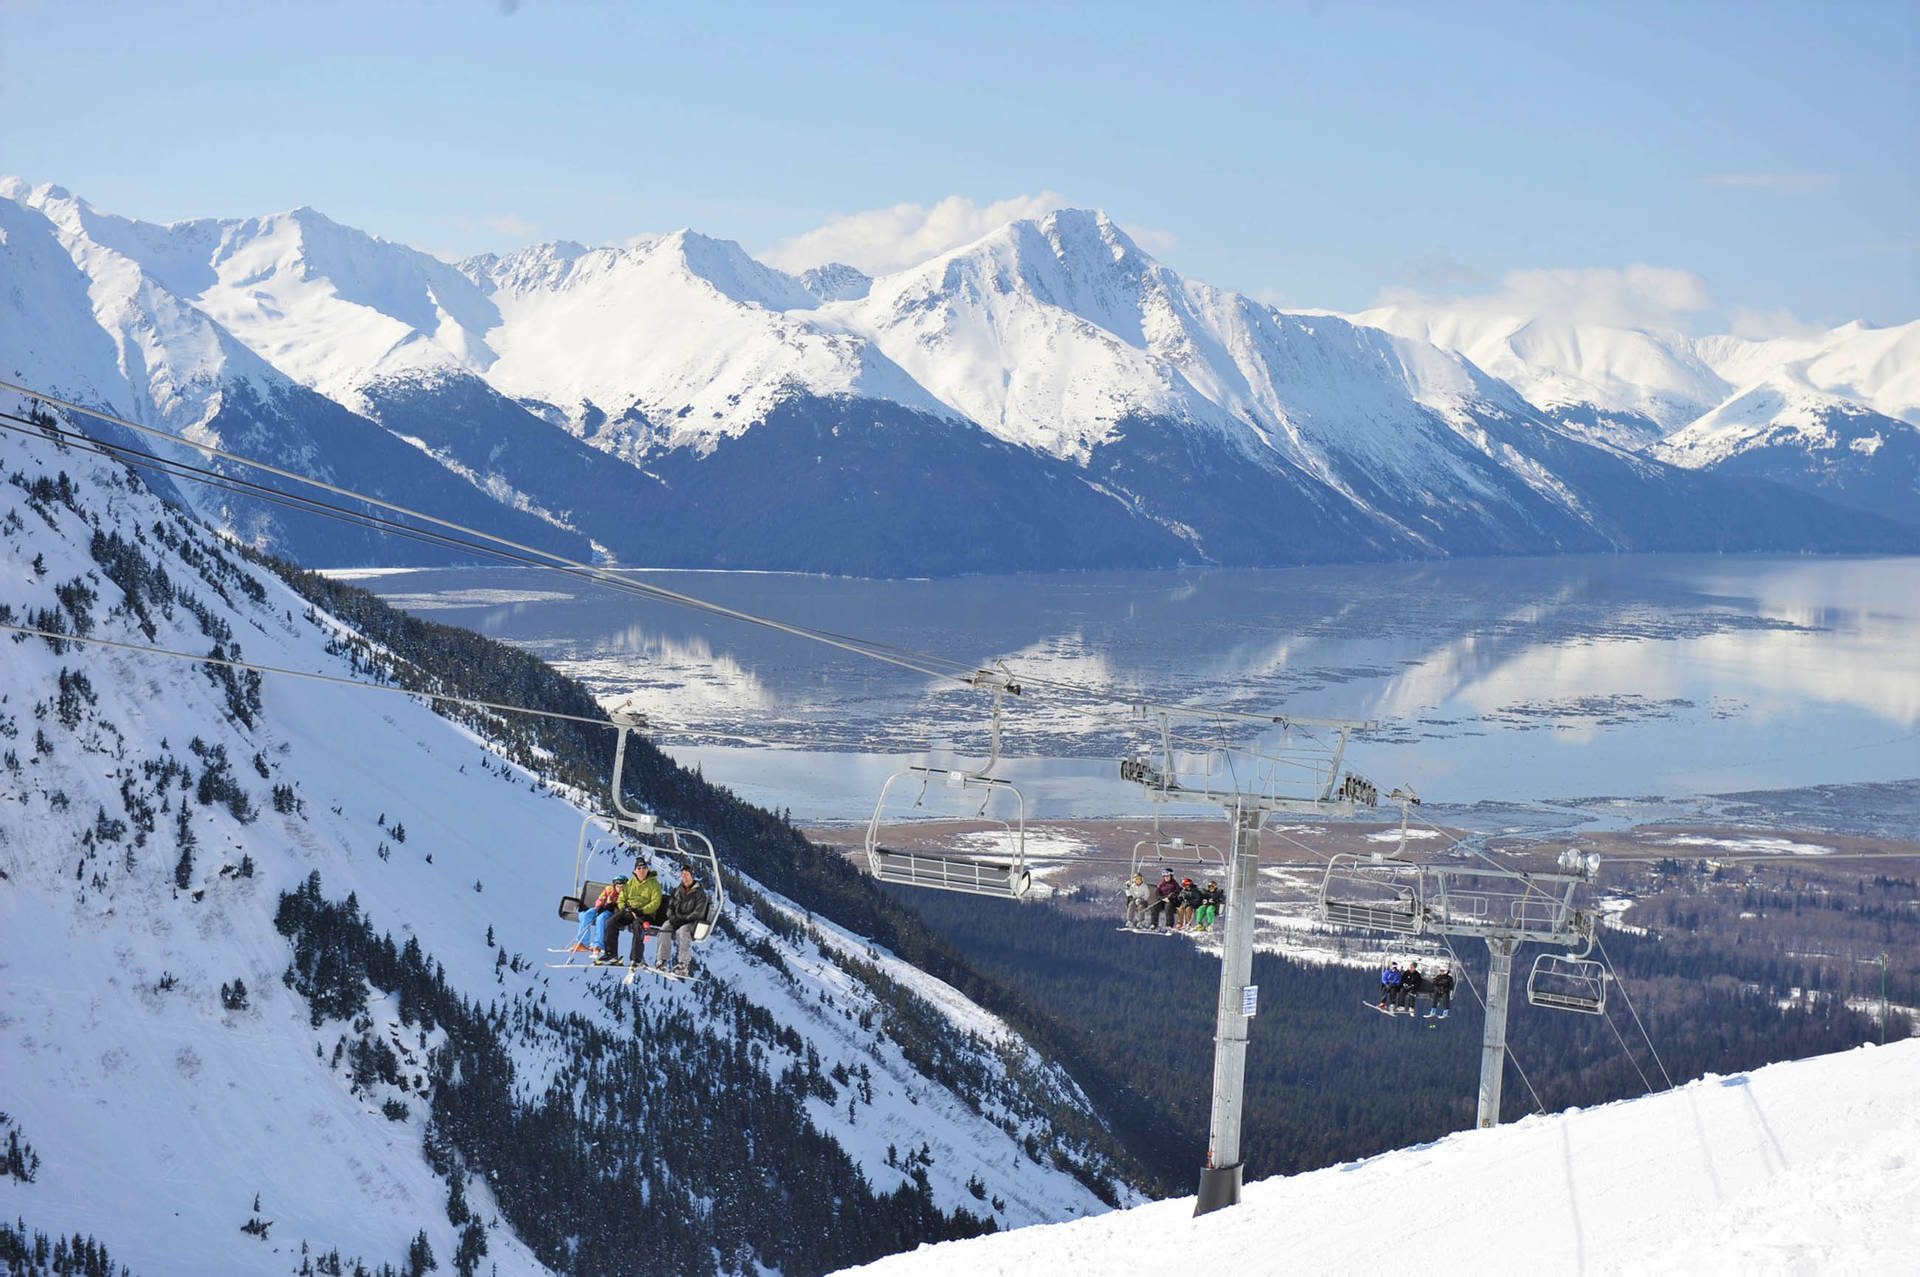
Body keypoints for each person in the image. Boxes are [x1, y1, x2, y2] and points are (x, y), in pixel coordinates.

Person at [596, 858, 663, 966]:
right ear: (635, 871)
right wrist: (624, 908)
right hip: (630, 911)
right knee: (612, 921)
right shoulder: (630, 883)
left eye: (644, 868)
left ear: (647, 870)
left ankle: (636, 958)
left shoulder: (654, 884)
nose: (641, 870)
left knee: (637, 925)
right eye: (639, 868)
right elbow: (621, 898)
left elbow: (656, 902)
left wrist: (642, 910)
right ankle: (611, 953)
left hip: (645, 914)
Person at [653, 865, 711, 976]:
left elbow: (698, 912)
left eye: (687, 874)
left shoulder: (699, 894)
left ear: (692, 876)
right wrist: (673, 918)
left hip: (690, 922)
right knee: (664, 928)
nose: (685, 877)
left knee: (683, 932)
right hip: (676, 919)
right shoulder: (677, 890)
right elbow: (670, 907)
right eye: (683, 874)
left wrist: (684, 919)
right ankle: (662, 961)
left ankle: (683, 964)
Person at [572, 877, 624, 953]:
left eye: (622, 887)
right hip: (602, 908)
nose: (619, 889)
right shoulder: (609, 890)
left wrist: (612, 905)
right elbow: (601, 898)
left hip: (611, 912)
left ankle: (598, 945)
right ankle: (582, 943)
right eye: (618, 886)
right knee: (587, 915)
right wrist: (599, 906)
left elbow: (622, 906)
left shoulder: (625, 894)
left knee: (601, 918)